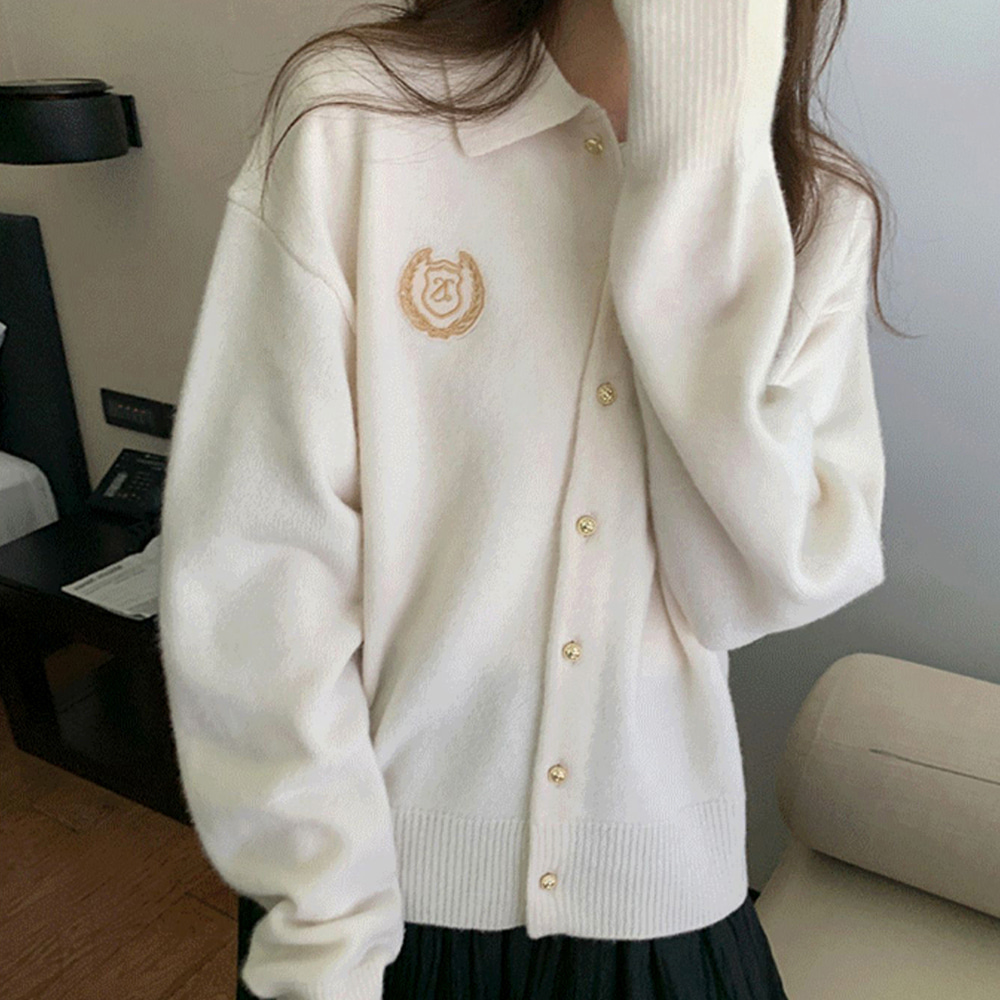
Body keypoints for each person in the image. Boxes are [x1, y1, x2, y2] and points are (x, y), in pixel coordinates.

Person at [158, 1, 895, 997]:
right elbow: (261, 571)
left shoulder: (813, 207)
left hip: (667, 904)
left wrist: (699, 174)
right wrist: (322, 929)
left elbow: (747, 589)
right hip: (381, 906)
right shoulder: (357, 118)